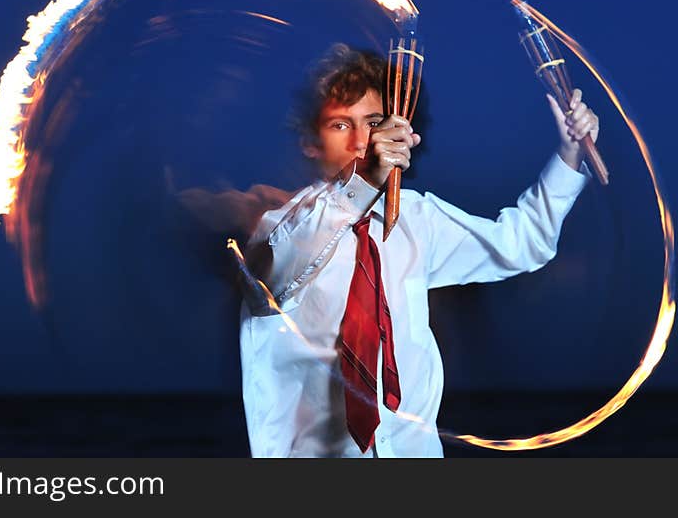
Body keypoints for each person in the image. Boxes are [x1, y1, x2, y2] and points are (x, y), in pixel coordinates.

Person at [238, 43, 599, 457]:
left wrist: (570, 154)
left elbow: (521, 243)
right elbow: (275, 272)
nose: (360, 141)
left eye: (372, 122)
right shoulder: (280, 231)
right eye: (340, 125)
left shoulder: (416, 219)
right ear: (309, 142)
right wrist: (364, 183)